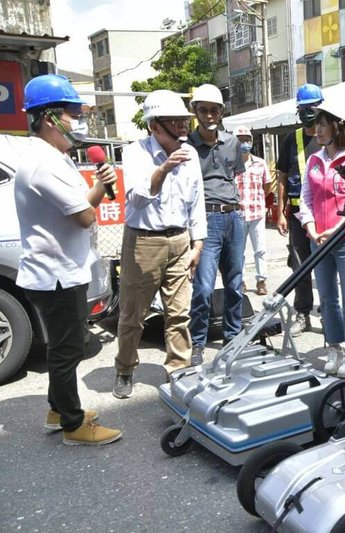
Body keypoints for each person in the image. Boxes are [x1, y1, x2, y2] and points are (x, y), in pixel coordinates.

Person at [15, 74, 121, 445]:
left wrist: (101, 184)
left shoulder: (55, 158)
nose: (77, 122)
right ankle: (74, 425)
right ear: (49, 118)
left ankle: (57, 410)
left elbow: (84, 203)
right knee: (67, 350)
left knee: (65, 347)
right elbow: (85, 215)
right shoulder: (43, 164)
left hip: (62, 270)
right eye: (72, 114)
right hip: (54, 275)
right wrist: (99, 189)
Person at [113, 90, 206, 399]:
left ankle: (178, 371)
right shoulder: (135, 153)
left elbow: (197, 201)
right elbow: (137, 199)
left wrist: (198, 243)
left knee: (179, 313)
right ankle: (125, 369)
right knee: (132, 314)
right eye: (176, 121)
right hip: (143, 242)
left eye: (184, 121)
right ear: (155, 126)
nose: (183, 127)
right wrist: (164, 168)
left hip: (180, 239)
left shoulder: (190, 153)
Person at [297, 100, 345, 378]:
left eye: (324, 124)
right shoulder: (314, 159)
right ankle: (334, 347)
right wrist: (311, 226)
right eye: (318, 124)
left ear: (339, 127)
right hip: (319, 239)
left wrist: (337, 228)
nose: (317, 129)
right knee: (327, 298)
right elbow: (306, 198)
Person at [187, 84, 246, 365]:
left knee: (235, 284)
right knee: (204, 288)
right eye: (203, 110)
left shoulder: (232, 143)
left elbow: (234, 176)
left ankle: (233, 337)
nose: (209, 115)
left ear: (221, 112)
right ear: (195, 112)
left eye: (214, 110)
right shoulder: (187, 147)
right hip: (206, 219)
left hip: (234, 216)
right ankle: (197, 341)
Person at [276, 84, 323, 336]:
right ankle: (303, 314)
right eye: (303, 109)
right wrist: (281, 211)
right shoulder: (290, 139)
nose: (308, 113)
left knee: (326, 267)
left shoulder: (328, 138)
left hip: (324, 214)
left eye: (312, 108)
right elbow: (282, 175)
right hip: (296, 214)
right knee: (300, 266)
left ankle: (328, 313)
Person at [233, 125, 271, 296]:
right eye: (240, 140)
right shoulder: (230, 164)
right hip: (238, 214)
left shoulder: (260, 163)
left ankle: (261, 280)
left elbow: (268, 186)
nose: (244, 143)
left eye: (247, 139)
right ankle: (240, 281)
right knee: (238, 251)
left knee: (260, 249)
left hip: (256, 212)